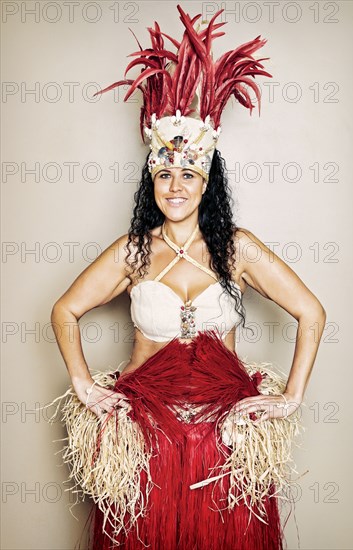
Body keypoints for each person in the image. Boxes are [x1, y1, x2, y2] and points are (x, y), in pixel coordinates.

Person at [50, 5, 326, 549]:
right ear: (152, 180)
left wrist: (290, 397)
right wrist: (84, 385)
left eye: (189, 174)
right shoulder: (133, 252)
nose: (175, 185)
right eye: (165, 173)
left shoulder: (237, 248)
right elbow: (64, 310)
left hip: (224, 438)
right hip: (146, 437)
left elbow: (312, 313)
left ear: (207, 182)